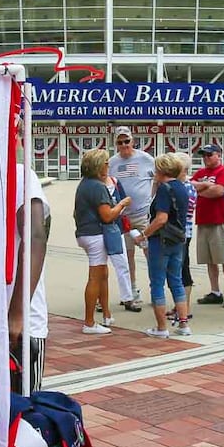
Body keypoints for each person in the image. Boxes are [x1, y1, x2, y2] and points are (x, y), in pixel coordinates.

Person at [72, 147, 130, 335]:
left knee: (102, 273)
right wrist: (121, 204)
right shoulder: (98, 187)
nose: (108, 165)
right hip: (95, 234)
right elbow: (107, 216)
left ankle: (106, 314)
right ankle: (89, 322)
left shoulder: (84, 184)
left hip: (85, 232)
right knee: (95, 277)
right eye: (106, 163)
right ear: (99, 167)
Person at [137, 153, 189, 339]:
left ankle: (161, 327)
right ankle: (183, 323)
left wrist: (144, 234)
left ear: (162, 170)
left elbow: (161, 219)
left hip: (162, 240)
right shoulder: (182, 187)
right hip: (178, 239)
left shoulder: (164, 189)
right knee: (176, 280)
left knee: (157, 282)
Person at [9, 165, 49, 392]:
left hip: (22, 322)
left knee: (24, 409)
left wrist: (18, 312)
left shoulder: (19, 174)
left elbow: (35, 236)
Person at [106, 127, 154, 292]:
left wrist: (153, 200)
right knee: (128, 256)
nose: (124, 145)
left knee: (150, 252)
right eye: (120, 142)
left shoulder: (146, 158)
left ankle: (155, 286)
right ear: (116, 144)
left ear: (133, 141)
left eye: (127, 141)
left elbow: (158, 180)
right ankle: (132, 289)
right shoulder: (112, 162)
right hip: (123, 216)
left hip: (143, 215)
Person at [189, 144, 224, 307]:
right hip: (203, 220)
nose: (206, 158)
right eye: (204, 155)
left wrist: (201, 189)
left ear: (218, 155)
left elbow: (219, 191)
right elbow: (190, 188)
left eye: (209, 155)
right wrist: (205, 187)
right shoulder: (200, 173)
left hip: (219, 220)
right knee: (209, 259)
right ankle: (215, 291)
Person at [98, 172, 138, 317]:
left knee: (122, 263)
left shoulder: (114, 181)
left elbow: (124, 201)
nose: (105, 168)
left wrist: (120, 206)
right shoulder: (93, 184)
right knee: (99, 266)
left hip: (116, 228)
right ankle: (100, 299)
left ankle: (127, 298)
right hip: (98, 228)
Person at [169, 153, 197, 328]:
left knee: (182, 269)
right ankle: (179, 305)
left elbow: (183, 213)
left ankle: (184, 307)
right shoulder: (179, 186)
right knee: (177, 269)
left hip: (181, 234)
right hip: (180, 233)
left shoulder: (186, 188)